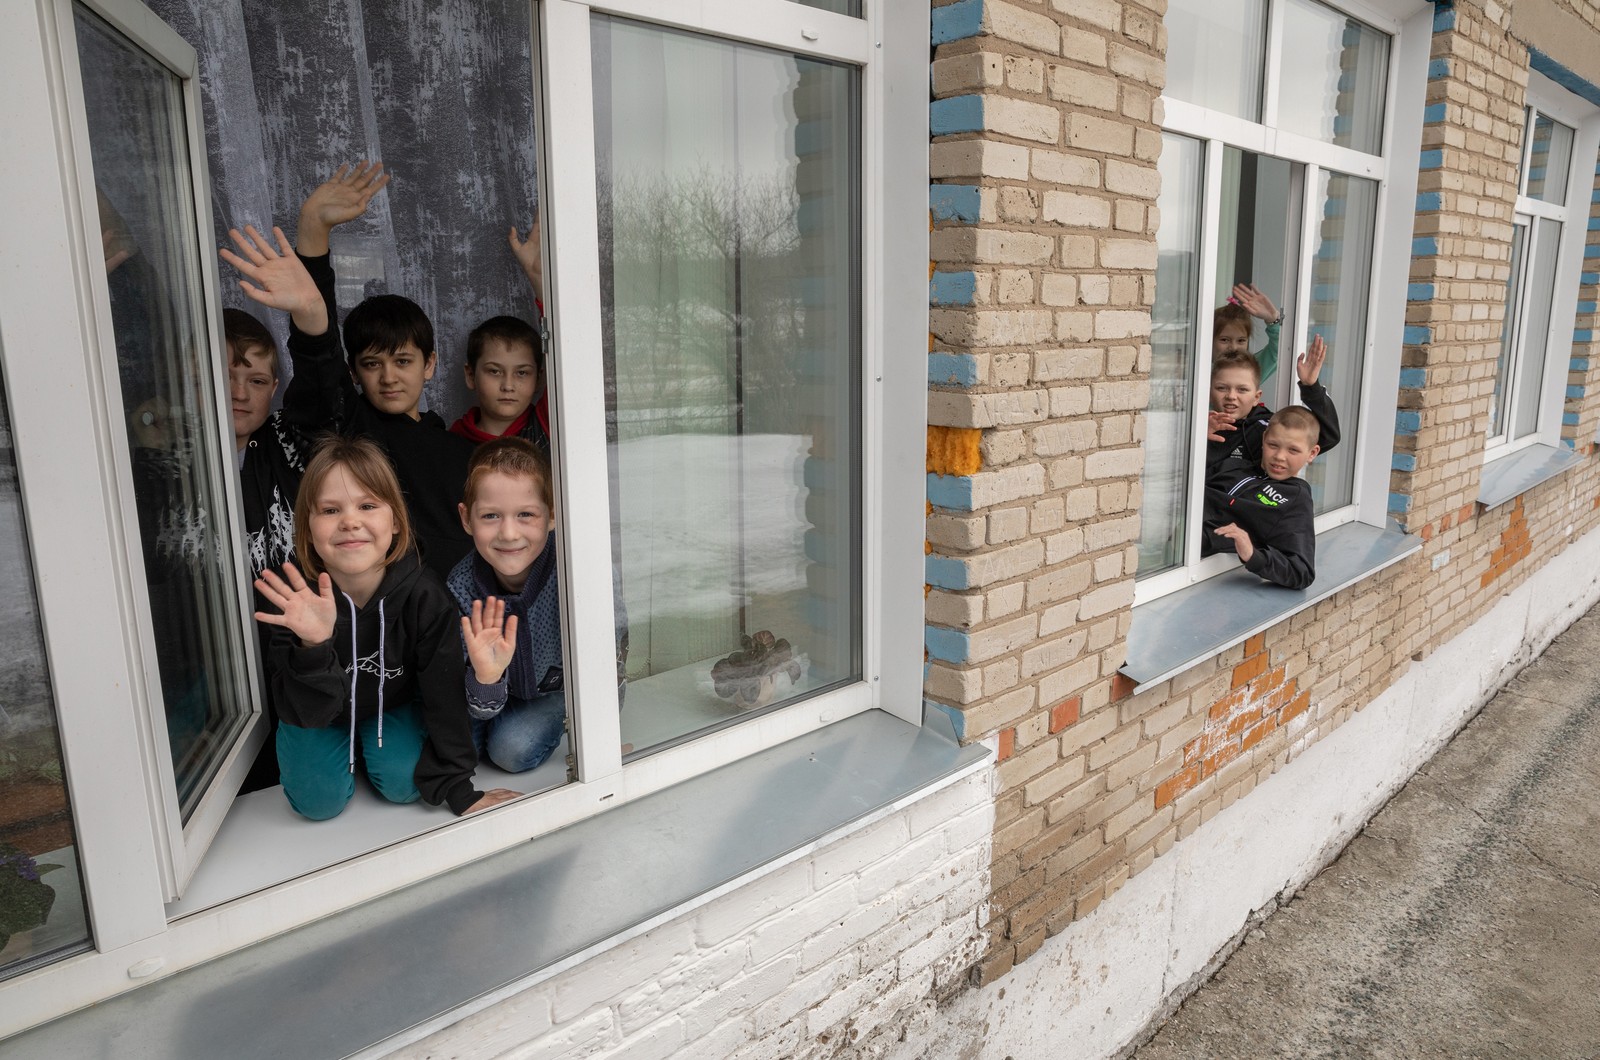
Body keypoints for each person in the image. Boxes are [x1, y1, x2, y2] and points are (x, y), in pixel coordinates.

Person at [220, 161, 478, 580]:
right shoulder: (350, 430)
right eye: (372, 365)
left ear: (430, 364)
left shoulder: (463, 454)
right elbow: (320, 365)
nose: (389, 377)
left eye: (404, 361)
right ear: (354, 374)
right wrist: (313, 236)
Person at [253, 435, 520, 820]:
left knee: (407, 787)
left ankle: (370, 747)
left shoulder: (424, 595)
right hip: (318, 713)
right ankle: (347, 754)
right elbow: (299, 708)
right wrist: (314, 644)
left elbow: (442, 694)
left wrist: (459, 787)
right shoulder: (293, 597)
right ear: (308, 529)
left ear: (395, 521)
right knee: (317, 805)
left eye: (367, 505)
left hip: (388, 706)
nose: (349, 521)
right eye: (329, 510)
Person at [220, 306, 343, 792]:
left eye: (256, 380)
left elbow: (320, 391)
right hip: (215, 656)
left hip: (291, 648)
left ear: (274, 389)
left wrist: (311, 316)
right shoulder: (174, 453)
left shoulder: (286, 442)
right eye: (227, 376)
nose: (238, 392)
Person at [448, 438, 565, 773]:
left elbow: (612, 656)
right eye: (490, 516)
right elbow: (477, 706)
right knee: (453, 750)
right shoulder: (461, 587)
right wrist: (487, 676)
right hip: (495, 692)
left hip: (553, 694)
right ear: (467, 518)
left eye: (526, 514)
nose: (509, 533)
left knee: (510, 750)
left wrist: (604, 730)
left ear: (552, 515)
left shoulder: (573, 569)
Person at [1202, 406, 1321, 590]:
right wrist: (1203, 437)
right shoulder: (1235, 465)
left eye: (1293, 450)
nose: (1280, 457)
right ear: (1264, 439)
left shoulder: (1295, 499)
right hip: (1173, 536)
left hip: (1193, 556)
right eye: (1273, 445)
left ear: (1312, 453)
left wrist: (1252, 554)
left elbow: (1301, 572)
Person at [1206, 333, 1340, 478]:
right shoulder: (1198, 425)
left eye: (1242, 389)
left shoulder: (1268, 427)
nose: (1231, 396)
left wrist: (1311, 387)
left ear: (1256, 397)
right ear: (1208, 392)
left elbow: (1329, 436)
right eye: (1222, 388)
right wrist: (1199, 435)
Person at [448, 314, 550, 453]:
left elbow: (568, 334)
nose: (508, 386)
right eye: (495, 371)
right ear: (471, 376)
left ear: (539, 379)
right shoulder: (450, 445)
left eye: (521, 373)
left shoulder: (547, 425)